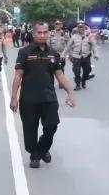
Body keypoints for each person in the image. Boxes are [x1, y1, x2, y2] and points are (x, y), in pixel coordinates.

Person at [10, 22, 76, 169]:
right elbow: (18, 75)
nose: (42, 35)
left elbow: (59, 75)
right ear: (34, 34)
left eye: (45, 32)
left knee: (52, 126)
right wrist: (14, 97)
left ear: (48, 33)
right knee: (30, 133)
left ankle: (39, 152)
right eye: (39, 32)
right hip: (29, 99)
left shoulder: (53, 53)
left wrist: (70, 93)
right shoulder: (24, 52)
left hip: (49, 98)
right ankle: (37, 151)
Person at [62, 22, 99, 91]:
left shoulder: (89, 36)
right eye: (79, 27)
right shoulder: (74, 36)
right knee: (76, 71)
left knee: (87, 70)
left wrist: (96, 54)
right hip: (76, 57)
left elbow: (94, 46)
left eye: (82, 27)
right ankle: (78, 85)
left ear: (84, 28)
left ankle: (84, 80)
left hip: (86, 56)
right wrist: (63, 55)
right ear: (77, 28)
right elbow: (68, 46)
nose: (80, 28)